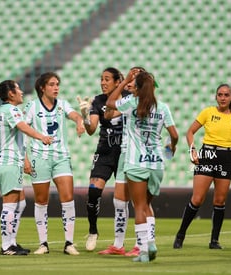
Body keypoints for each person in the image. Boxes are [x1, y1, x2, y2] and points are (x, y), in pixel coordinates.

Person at [106, 69, 179, 262]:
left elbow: (110, 103)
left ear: (137, 89)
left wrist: (124, 82)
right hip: (156, 163)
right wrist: (172, 148)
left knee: (138, 207)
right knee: (148, 205)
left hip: (136, 162)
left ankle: (145, 250)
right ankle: (151, 241)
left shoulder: (132, 103)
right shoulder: (163, 108)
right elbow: (175, 134)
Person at [173, 84, 231, 250]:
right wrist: (192, 150)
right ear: (216, 97)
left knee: (219, 201)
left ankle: (214, 241)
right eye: (220, 94)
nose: (223, 97)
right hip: (207, 156)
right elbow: (190, 132)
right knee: (197, 198)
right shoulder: (208, 112)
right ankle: (181, 234)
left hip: (226, 157)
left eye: (226, 95)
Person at [23, 72, 85, 255]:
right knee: (41, 201)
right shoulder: (32, 107)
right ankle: (43, 243)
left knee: (68, 198)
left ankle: (69, 243)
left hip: (61, 157)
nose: (56, 87)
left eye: (58, 84)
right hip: (38, 157)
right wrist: (25, 158)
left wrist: (80, 121)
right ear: (42, 87)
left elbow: (74, 115)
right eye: (52, 84)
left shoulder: (63, 104)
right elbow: (21, 131)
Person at [0, 80, 52, 255]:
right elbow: (23, 127)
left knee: (20, 202)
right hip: (9, 163)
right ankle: (6, 246)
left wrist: (24, 160)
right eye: (18, 89)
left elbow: (17, 135)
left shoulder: (3, 110)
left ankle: (12, 242)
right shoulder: (11, 109)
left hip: (9, 161)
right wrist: (41, 137)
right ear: (11, 94)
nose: (21, 92)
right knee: (9, 205)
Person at [77, 67, 135, 253]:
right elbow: (91, 129)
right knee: (93, 192)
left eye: (107, 79)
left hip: (125, 152)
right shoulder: (99, 100)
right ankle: (93, 231)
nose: (103, 82)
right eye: (102, 79)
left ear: (118, 81)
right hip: (105, 151)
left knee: (124, 199)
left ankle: (122, 241)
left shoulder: (129, 97)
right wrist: (85, 116)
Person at [93, 67, 147, 257]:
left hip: (141, 156)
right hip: (125, 154)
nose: (131, 83)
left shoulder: (149, 104)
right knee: (119, 201)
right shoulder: (128, 102)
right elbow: (108, 113)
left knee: (142, 203)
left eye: (135, 81)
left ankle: (143, 245)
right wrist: (124, 83)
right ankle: (118, 244)